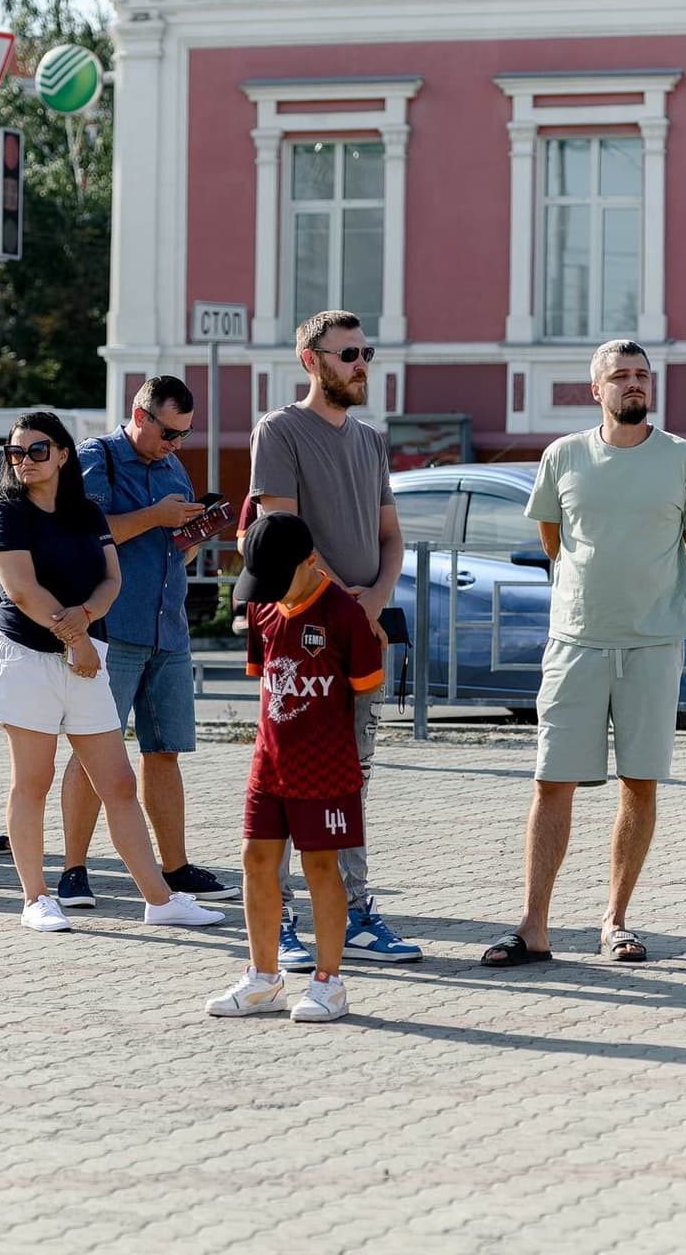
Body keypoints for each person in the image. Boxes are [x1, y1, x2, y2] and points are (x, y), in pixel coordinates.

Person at [481, 339, 686, 968]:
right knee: (552, 781)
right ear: (596, 389)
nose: (633, 384)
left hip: (652, 642)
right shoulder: (563, 455)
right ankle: (533, 926)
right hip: (575, 640)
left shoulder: (685, 459)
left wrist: (650, 595)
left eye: (642, 375)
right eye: (620, 376)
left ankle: (615, 921)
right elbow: (553, 539)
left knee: (639, 782)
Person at [0, 409, 227, 932]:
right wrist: (77, 638)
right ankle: (36, 898)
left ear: (62, 454)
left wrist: (87, 621)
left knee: (117, 781)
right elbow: (20, 590)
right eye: (16, 452)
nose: (25, 460)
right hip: (29, 656)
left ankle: (160, 900)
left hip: (87, 656)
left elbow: (112, 579)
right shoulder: (7, 514)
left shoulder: (87, 512)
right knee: (33, 780)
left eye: (37, 450)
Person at [248, 309, 418, 968]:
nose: (361, 364)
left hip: (359, 633)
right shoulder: (279, 431)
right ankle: (285, 920)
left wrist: (370, 603)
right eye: (348, 354)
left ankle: (353, 914)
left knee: (351, 782)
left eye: (365, 352)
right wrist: (347, 608)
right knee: (290, 781)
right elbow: (282, 539)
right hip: (303, 641)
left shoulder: (369, 441)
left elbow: (390, 537)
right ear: (311, 360)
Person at [57, 375, 237, 909]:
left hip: (168, 629)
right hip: (114, 628)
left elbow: (173, 547)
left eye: (184, 435)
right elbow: (86, 533)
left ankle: (175, 867)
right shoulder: (97, 458)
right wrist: (156, 517)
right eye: (169, 433)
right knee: (93, 751)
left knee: (165, 752)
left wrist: (191, 532)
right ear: (141, 415)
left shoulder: (173, 466)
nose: (175, 444)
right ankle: (72, 871)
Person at [206, 513, 382, 1022]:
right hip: (268, 765)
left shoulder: (343, 613)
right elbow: (264, 677)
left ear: (310, 561)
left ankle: (329, 984)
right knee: (255, 860)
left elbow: (367, 686)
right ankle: (263, 979)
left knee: (320, 867)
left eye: (278, 578)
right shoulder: (262, 607)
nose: (268, 590)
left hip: (326, 770)